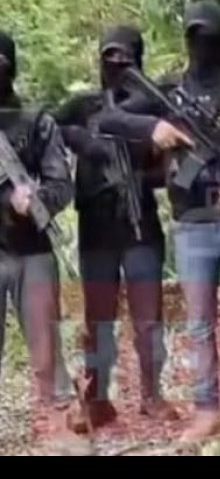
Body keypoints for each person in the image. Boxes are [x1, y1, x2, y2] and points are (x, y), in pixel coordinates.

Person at [95, 0, 220, 442]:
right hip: (192, 221)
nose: (203, 45)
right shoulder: (168, 90)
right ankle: (206, 410)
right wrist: (154, 130)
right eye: (196, 36)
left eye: (210, 36)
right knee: (199, 322)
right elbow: (108, 119)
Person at [52, 25, 178, 428]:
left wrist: (143, 173)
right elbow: (46, 127)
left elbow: (172, 169)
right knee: (98, 319)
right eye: (110, 56)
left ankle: (152, 395)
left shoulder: (152, 106)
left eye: (125, 57)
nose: (117, 64)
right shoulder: (83, 105)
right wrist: (81, 140)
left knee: (148, 317)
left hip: (140, 224)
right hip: (96, 227)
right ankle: (96, 400)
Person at [0, 30, 93, 455]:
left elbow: (61, 184)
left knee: (46, 353)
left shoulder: (37, 122)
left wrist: (35, 201)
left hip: (33, 251)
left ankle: (62, 433)